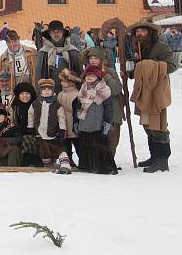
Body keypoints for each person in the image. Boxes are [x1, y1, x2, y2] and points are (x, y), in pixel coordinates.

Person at [128, 19, 176, 173]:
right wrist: (131, 70)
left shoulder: (160, 46)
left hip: (157, 91)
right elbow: (139, 70)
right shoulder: (140, 47)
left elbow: (172, 65)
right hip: (144, 92)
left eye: (143, 30)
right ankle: (154, 156)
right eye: (137, 31)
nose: (139, 33)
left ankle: (162, 160)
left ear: (150, 32)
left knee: (159, 126)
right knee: (147, 124)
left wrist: (149, 65)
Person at [73, 66, 117, 174]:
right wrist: (76, 121)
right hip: (85, 120)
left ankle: (106, 167)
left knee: (100, 144)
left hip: (98, 121)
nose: (89, 77)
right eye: (87, 75)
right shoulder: (83, 89)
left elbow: (108, 108)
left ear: (97, 76)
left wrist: (107, 122)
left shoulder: (104, 89)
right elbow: (78, 107)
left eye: (92, 75)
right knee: (86, 143)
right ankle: (87, 165)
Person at [81, 47, 124, 157]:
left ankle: (109, 161)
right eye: (91, 58)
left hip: (112, 111)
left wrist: (105, 75)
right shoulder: (87, 73)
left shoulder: (110, 71)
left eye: (96, 58)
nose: (93, 60)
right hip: (93, 112)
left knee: (111, 139)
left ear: (102, 59)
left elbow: (116, 89)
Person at [27, 78, 72, 174]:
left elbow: (61, 118)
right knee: (44, 151)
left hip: (53, 132)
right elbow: (30, 115)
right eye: (44, 89)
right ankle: (48, 166)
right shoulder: (35, 104)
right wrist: (30, 127)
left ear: (52, 91)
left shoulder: (56, 104)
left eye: (49, 89)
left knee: (59, 149)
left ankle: (65, 166)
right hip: (40, 133)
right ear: (40, 91)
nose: (47, 91)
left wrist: (62, 129)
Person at [36, 20, 82, 92]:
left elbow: (79, 73)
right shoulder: (43, 52)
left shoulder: (72, 51)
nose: (56, 34)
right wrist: (40, 94)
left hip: (69, 92)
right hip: (48, 92)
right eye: (53, 32)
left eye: (58, 31)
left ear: (63, 33)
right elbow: (38, 76)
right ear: (49, 34)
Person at [10, 82, 42, 167]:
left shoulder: (37, 105)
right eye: (22, 94)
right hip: (19, 134)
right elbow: (11, 121)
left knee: (27, 139)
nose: (25, 96)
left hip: (35, 134)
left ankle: (31, 162)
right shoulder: (15, 107)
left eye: (27, 93)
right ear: (18, 95)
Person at [57, 69, 82, 167]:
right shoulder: (60, 94)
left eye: (63, 81)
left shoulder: (77, 94)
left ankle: (83, 160)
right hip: (64, 124)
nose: (61, 83)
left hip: (73, 123)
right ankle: (68, 161)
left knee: (78, 143)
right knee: (66, 144)